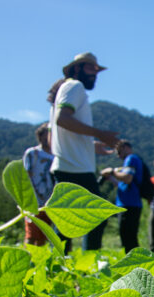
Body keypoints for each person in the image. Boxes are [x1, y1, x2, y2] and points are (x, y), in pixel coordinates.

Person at [51, 52, 121, 251]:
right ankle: (88, 262)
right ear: (77, 69)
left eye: (97, 70)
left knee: (65, 220)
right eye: (91, 68)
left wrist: (90, 145)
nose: (95, 74)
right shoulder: (75, 86)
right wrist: (100, 134)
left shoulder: (65, 90)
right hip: (75, 167)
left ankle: (58, 263)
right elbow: (62, 119)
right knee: (96, 217)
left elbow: (58, 132)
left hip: (68, 164)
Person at [100, 141, 143, 253]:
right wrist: (111, 179)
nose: (118, 156)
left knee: (129, 238)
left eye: (119, 152)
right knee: (127, 237)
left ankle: (134, 261)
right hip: (128, 203)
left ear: (125, 147)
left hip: (129, 204)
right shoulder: (129, 162)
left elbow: (127, 178)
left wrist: (112, 171)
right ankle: (133, 260)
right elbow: (124, 184)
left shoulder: (131, 158)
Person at [23, 123, 55, 246]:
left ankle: (39, 257)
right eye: (46, 135)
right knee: (31, 234)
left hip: (49, 201)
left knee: (43, 236)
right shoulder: (33, 153)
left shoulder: (55, 156)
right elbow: (26, 175)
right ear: (40, 136)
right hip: (34, 200)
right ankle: (27, 256)